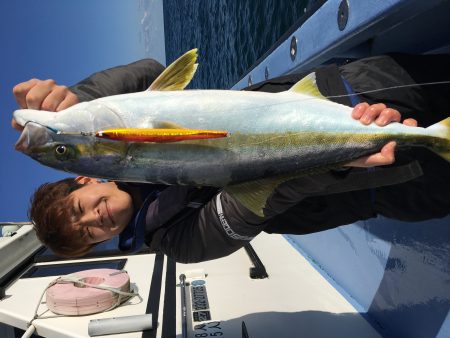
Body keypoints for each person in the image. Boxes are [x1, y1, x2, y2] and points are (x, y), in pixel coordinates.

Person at [11, 54, 449, 262]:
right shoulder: (176, 241)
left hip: (359, 88)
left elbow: (147, 71)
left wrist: (73, 107)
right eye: (89, 235)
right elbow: (257, 198)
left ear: (85, 179)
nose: (95, 222)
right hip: (386, 182)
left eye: (78, 211)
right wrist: (341, 157)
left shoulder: (121, 127)